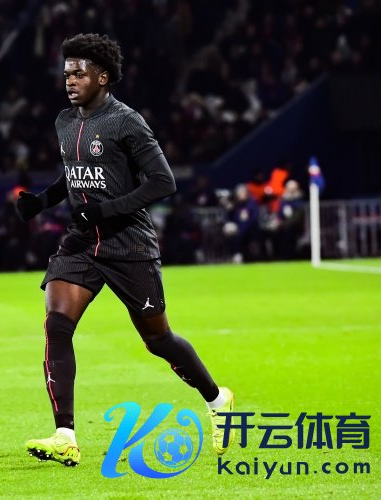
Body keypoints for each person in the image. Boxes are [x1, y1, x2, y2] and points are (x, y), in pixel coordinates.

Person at [14, 34, 235, 467]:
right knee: (57, 324)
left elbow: (163, 182)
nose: (70, 80)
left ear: (103, 77)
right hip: (81, 243)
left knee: (158, 340)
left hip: (128, 243)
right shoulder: (64, 121)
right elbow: (73, 173)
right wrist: (42, 201)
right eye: (66, 73)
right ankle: (65, 435)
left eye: (79, 73)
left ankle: (217, 399)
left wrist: (104, 210)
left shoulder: (126, 122)